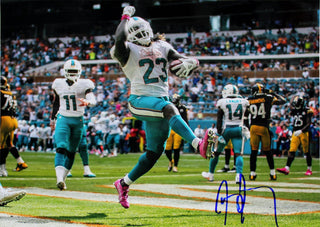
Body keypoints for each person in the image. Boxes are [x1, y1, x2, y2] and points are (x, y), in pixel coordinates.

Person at [111, 6, 212, 209]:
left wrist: (192, 61)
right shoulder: (125, 49)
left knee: (154, 153)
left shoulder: (163, 46)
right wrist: (125, 17)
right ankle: (197, 144)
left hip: (158, 101)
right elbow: (118, 38)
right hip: (139, 101)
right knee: (169, 108)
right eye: (135, 31)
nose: (140, 34)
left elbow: (179, 61)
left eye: (142, 29)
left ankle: (123, 183)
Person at [50, 59, 97, 190]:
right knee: (61, 147)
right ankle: (59, 178)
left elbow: (92, 97)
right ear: (65, 72)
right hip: (63, 118)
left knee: (71, 152)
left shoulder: (84, 84)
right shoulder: (58, 84)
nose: (72, 74)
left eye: (74, 71)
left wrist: (89, 102)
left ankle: (62, 179)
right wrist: (53, 119)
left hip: (78, 121)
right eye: (70, 71)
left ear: (79, 72)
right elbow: (56, 103)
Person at [201, 84, 250, 183]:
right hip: (239, 128)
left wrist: (219, 133)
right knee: (238, 154)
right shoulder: (243, 101)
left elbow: (219, 119)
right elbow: (247, 116)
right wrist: (247, 129)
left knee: (216, 153)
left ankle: (211, 174)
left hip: (227, 129)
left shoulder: (222, 102)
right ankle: (238, 176)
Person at [245, 83, 286, 181]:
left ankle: (252, 174)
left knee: (253, 152)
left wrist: (248, 127)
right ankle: (272, 173)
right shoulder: (268, 98)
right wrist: (273, 93)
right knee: (268, 152)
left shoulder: (249, 100)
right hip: (264, 127)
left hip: (254, 127)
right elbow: (283, 100)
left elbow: (245, 116)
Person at [277, 96, 314, 176]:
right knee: (292, 150)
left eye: (296, 103)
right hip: (295, 132)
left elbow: (308, 123)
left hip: (304, 132)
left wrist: (301, 130)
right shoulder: (295, 110)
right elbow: (288, 111)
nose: (294, 105)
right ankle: (287, 168)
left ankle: (309, 169)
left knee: (307, 152)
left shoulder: (307, 110)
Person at [0, 77, 28, 177]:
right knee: (8, 144)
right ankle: (20, 162)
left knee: (1, 146)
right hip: (13, 120)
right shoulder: (10, 93)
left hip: (3, 119)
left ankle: (2, 169)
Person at [165, 94, 188, 172]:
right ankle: (171, 160)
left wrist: (186, 134)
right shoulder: (168, 107)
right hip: (170, 128)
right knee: (167, 149)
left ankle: (175, 166)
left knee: (176, 148)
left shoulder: (182, 108)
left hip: (178, 129)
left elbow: (185, 121)